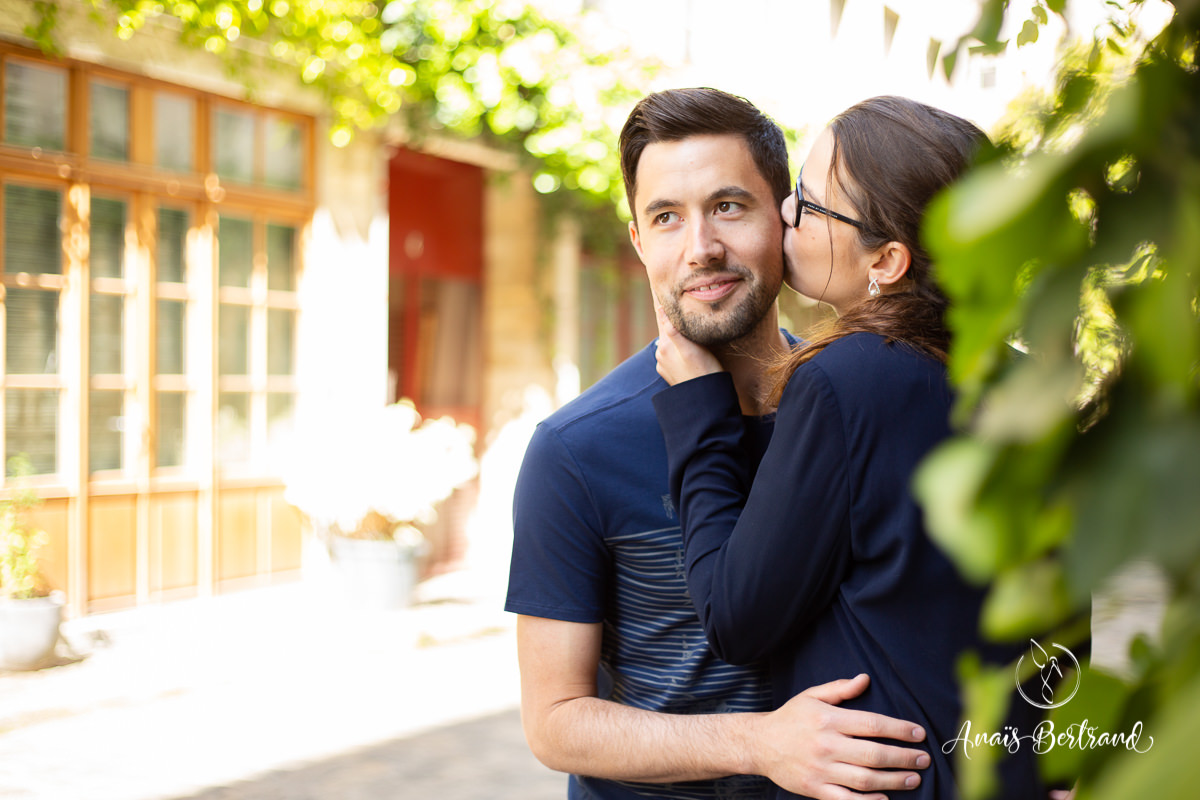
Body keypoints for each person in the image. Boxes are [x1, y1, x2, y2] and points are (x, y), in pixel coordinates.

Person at [507, 88, 932, 800]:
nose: (700, 248)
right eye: (666, 218)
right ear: (640, 242)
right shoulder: (573, 450)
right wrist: (759, 741)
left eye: (729, 207)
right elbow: (554, 722)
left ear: (785, 218)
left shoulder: (861, 401)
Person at [651, 96, 1044, 799]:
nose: (785, 215)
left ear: (887, 260)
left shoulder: (845, 380)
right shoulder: (1024, 381)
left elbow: (737, 618)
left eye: (808, 203)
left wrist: (699, 411)